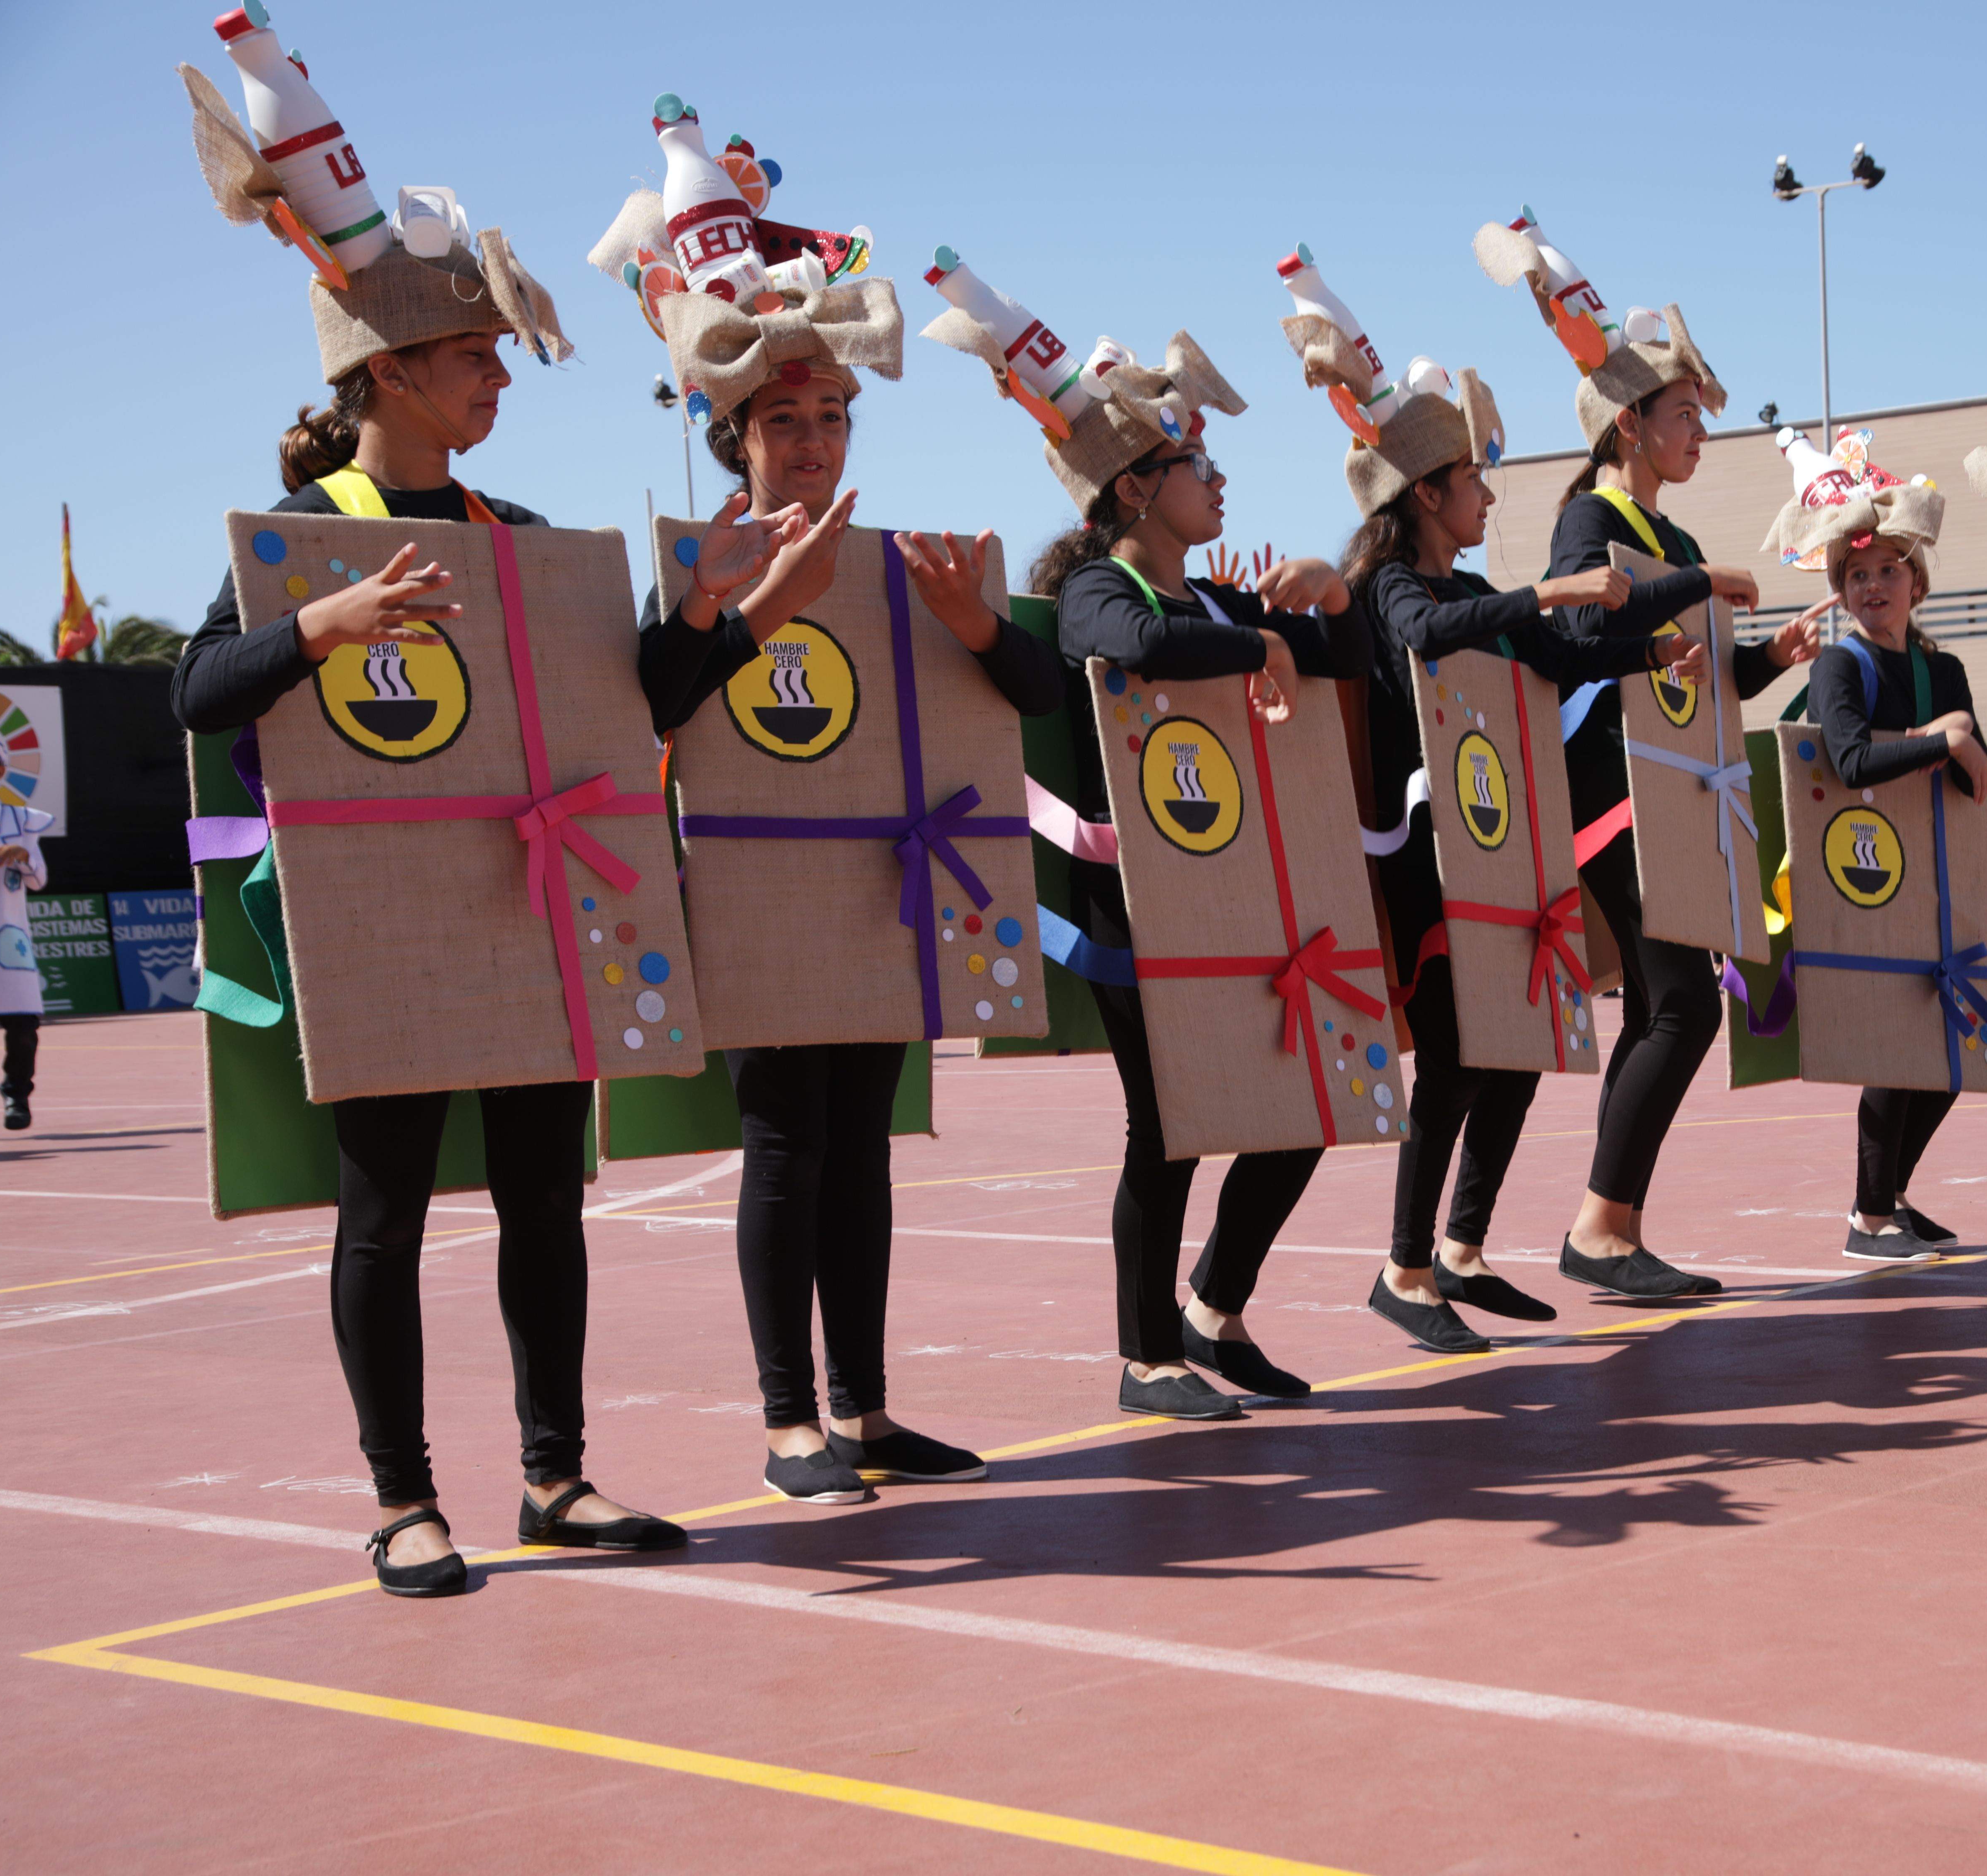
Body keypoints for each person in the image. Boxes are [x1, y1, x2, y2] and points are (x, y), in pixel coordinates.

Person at [172, 194, 679, 1595]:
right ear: (389, 369)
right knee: (383, 1213)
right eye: (476, 355)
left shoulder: (513, 535)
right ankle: (403, 1502)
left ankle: (555, 1478)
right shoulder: (297, 533)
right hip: (377, 920)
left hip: (523, 904)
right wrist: (314, 628)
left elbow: (628, 700)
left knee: (544, 1202)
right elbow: (201, 695)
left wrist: (713, 621)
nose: (501, 378)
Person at [610, 168, 1061, 1504]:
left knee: (863, 1143)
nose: (813, 443)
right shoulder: (698, 561)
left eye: (832, 416)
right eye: (786, 420)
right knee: (786, 1144)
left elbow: (1033, 697)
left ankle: (864, 1410)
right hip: (753, 888)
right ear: (732, 432)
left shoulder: (891, 567)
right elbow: (653, 703)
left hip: (876, 889)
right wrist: (740, 607)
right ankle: (786, 1420)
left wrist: (977, 626)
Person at [968, 318, 1351, 1419]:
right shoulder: (1103, 589)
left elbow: (1350, 658)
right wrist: (1258, 647)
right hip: (1133, 904)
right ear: (1138, 490)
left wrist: (1322, 599)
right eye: (1198, 466)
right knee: (1170, 1125)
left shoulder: (1224, 602)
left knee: (1311, 1104)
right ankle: (1146, 1359)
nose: (1217, 481)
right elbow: (1128, 652)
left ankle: (1214, 1311)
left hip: (1242, 896)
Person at [1294, 327, 1695, 1351]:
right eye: (1472, 479)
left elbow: (1563, 654)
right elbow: (1425, 640)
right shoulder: (1397, 587)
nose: (1489, 496)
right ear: (1425, 494)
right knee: (1461, 1062)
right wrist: (1550, 593)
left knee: (1516, 1053)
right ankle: (1404, 1267)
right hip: (1422, 860)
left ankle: (1464, 1252)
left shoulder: (1476, 593)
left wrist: (1667, 628)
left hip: (1499, 847)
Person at [1499, 290, 1817, 1298]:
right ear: (1628, 424)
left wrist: (1768, 658)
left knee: (1657, 1007)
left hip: (1671, 796)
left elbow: (1692, 674)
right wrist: (1702, 587)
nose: (1700, 433)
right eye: (1684, 415)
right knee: (1684, 1008)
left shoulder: (1669, 540)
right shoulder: (1593, 519)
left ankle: (1610, 1226)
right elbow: (1586, 638)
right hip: (1610, 798)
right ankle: (1600, 1227)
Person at [1763, 453, 1987, 1257]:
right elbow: (1851, 761)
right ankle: (1867, 1219)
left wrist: (1961, 745)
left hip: (1937, 878)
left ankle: (1893, 1191)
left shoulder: (1945, 668)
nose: (1872, 587)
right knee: (1894, 1049)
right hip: (1862, 872)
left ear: (1915, 580)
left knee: (1957, 1049)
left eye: (1888, 570)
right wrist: (1942, 740)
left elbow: (1979, 777)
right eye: (1855, 575)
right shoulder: (1838, 665)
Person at [0, 790, 49, 1131]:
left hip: (8, 938)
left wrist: (23, 855)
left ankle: (17, 1094)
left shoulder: (22, 820)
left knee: (24, 1027)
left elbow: (39, 880)